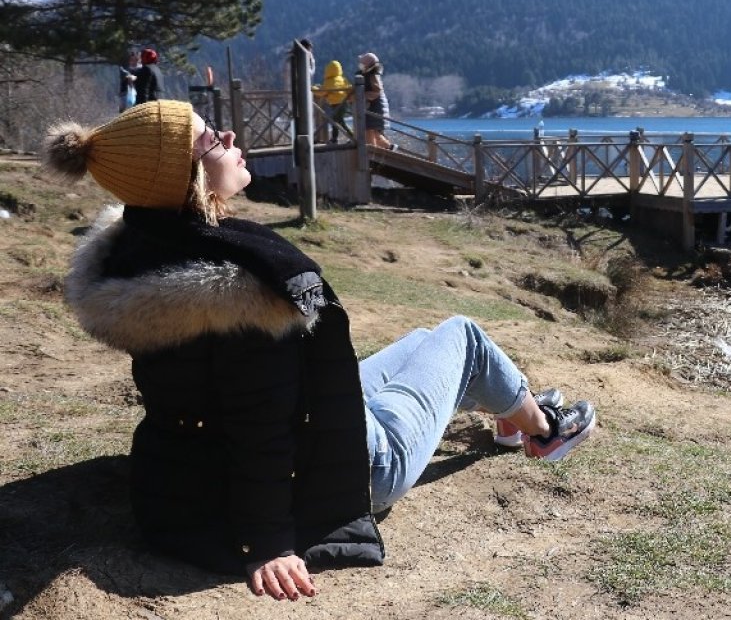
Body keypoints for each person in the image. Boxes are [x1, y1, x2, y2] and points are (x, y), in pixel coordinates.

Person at [41, 100, 597, 601]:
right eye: (212, 139)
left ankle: (507, 416)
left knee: (424, 342)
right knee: (464, 336)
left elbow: (224, 394)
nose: (231, 137)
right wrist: (267, 543)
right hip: (353, 467)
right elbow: (259, 419)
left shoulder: (142, 251)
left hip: (251, 448)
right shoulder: (239, 288)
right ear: (185, 177)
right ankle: (544, 429)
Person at [357, 52, 396, 150]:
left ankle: (373, 154)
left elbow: (376, 91)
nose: (360, 64)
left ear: (367, 64)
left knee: (370, 131)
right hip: (375, 107)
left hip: (375, 108)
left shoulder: (372, 75)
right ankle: (389, 148)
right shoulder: (370, 74)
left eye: (362, 63)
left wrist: (362, 96)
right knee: (373, 132)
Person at [313, 60, 353, 143]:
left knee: (338, 121)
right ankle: (335, 138)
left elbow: (322, 92)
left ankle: (352, 136)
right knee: (337, 121)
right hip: (344, 103)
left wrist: (313, 89)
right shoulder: (343, 79)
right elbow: (349, 88)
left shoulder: (329, 82)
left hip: (335, 103)